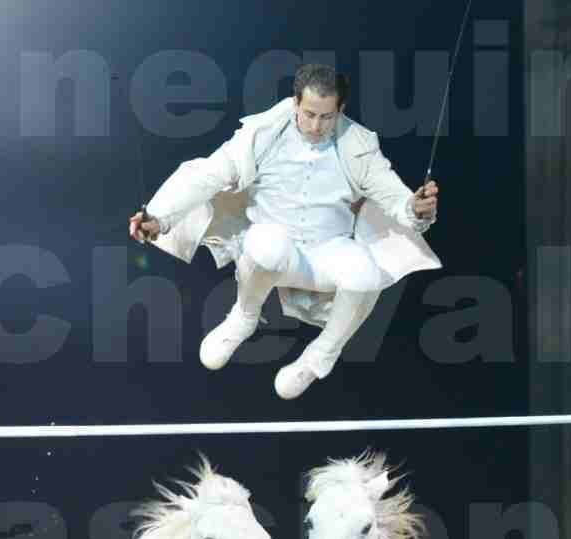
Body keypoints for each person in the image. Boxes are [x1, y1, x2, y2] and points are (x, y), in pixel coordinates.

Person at [129, 63, 441, 399]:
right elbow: (207, 174)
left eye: (326, 117)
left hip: (327, 252)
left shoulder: (359, 146)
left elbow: (394, 196)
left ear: (340, 110)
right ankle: (243, 318)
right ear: (295, 103)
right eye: (309, 114)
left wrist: (414, 209)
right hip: (274, 251)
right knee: (267, 243)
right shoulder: (261, 135)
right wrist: (159, 218)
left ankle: (320, 357)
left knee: (366, 274)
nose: (316, 126)